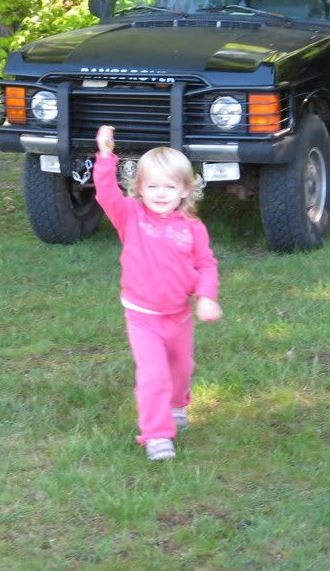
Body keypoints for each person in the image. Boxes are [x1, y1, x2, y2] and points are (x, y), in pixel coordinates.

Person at [93, 125, 222, 462]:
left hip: (179, 316)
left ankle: (178, 405)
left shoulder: (192, 228)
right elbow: (106, 194)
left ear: (185, 190)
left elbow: (205, 264)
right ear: (139, 189)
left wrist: (206, 296)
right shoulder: (130, 216)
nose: (160, 193)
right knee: (153, 376)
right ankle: (156, 434)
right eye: (152, 186)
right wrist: (106, 157)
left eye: (169, 186)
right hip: (142, 317)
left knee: (181, 368)